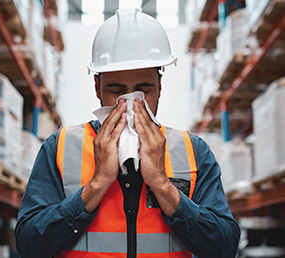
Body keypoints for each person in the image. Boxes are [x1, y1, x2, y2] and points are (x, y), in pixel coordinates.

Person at [15, 8, 240, 258]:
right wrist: (98, 184)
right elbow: (29, 246)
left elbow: (225, 247)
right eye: (117, 90)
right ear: (97, 87)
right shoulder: (60, 147)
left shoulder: (192, 151)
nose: (131, 103)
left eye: (144, 89)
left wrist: (163, 187)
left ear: (160, 86)